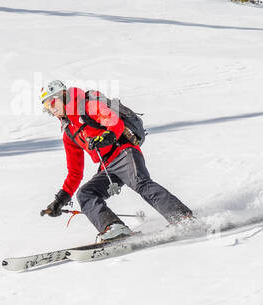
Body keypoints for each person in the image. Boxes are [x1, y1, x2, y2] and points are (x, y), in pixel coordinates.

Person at [38, 79, 195, 241]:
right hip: (107, 165)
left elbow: (114, 122)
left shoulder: (85, 106)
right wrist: (60, 200)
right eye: (47, 108)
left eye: (51, 103)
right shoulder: (69, 132)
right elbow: (75, 172)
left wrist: (106, 137)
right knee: (86, 193)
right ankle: (114, 227)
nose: (51, 110)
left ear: (63, 95)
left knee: (140, 182)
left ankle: (182, 218)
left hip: (123, 151)